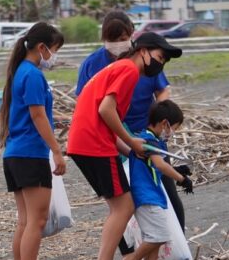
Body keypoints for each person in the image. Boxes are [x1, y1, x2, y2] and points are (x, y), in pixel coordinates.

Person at [66, 32, 182, 260]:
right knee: (123, 205)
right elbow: (105, 111)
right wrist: (131, 142)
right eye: (160, 57)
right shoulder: (129, 70)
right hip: (93, 144)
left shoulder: (119, 67)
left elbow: (106, 116)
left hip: (87, 141)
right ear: (143, 51)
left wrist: (132, 150)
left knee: (119, 205)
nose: (160, 64)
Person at [77, 12, 185, 232]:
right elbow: (92, 106)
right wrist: (125, 139)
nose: (118, 44)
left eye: (122, 38)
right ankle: (136, 252)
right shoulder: (98, 64)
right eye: (112, 39)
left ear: (132, 35)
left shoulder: (144, 60)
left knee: (164, 189)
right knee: (128, 199)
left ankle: (174, 242)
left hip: (144, 133)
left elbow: (163, 90)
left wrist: (158, 122)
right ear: (103, 38)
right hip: (115, 137)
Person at [0, 22, 66, 260]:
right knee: (35, 221)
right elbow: (38, 116)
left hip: (15, 153)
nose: (55, 56)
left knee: (25, 221)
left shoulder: (21, 73)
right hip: (30, 154)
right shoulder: (33, 75)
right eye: (54, 50)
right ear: (42, 48)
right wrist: (57, 150)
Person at [123, 100, 194, 260]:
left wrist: (178, 169)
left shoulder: (151, 141)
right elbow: (161, 165)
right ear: (165, 124)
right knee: (159, 235)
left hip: (153, 193)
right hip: (146, 194)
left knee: (154, 236)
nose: (172, 133)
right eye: (174, 128)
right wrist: (181, 179)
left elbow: (156, 166)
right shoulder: (148, 141)